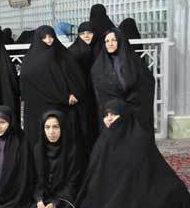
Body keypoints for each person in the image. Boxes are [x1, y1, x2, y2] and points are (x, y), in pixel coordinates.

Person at [77, 100, 190, 208]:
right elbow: (95, 179)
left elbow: (150, 170)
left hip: (140, 190)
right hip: (111, 199)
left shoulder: (139, 139)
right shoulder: (103, 142)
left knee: (177, 195)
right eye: (106, 115)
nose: (109, 119)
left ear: (125, 116)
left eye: (114, 114)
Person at [20, 25, 87, 150]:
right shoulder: (29, 61)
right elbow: (28, 86)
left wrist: (74, 94)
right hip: (38, 109)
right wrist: (63, 97)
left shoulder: (63, 56)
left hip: (62, 109)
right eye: (44, 38)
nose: (48, 40)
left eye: (51, 37)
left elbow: (76, 77)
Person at [23, 110, 83, 208]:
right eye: (47, 127)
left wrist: (55, 203)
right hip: (45, 198)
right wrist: (39, 201)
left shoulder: (72, 150)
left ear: (62, 128)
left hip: (65, 198)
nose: (51, 132)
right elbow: (36, 181)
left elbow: (73, 183)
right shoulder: (38, 150)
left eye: (56, 127)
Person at [91, 28, 155, 134]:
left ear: (121, 41)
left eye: (114, 40)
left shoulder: (134, 62)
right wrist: (113, 108)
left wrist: (131, 101)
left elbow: (147, 83)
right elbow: (100, 94)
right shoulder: (99, 67)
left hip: (134, 111)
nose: (110, 44)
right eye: (107, 41)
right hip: (112, 113)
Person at [67, 22, 99, 150]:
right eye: (82, 33)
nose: (86, 36)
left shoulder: (98, 49)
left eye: (89, 33)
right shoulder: (73, 51)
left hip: (95, 93)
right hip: (80, 95)